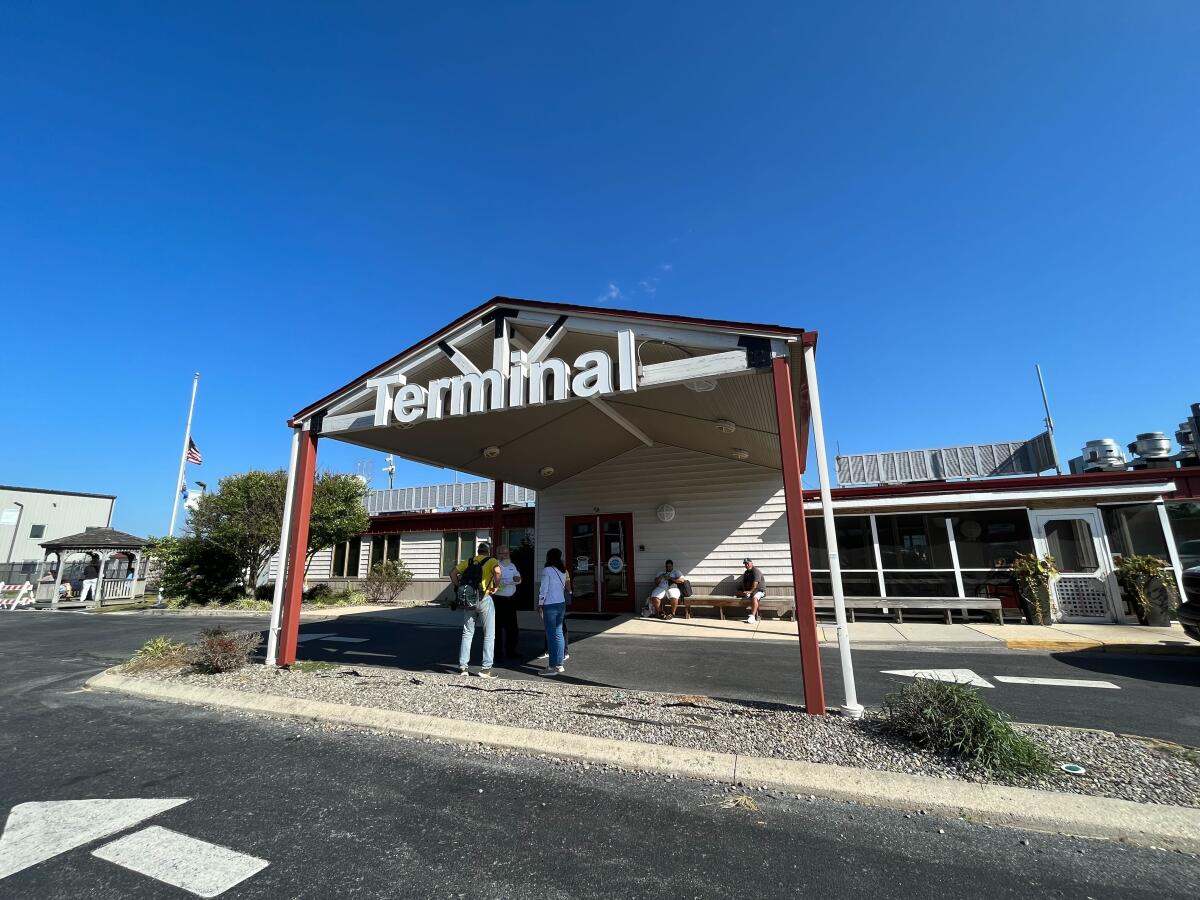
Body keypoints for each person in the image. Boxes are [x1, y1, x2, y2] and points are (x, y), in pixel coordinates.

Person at [451, 542, 501, 677]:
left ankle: (463, 667)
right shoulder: (491, 561)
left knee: (467, 633)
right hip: (484, 598)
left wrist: (458, 586)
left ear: (478, 551)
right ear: (488, 552)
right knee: (489, 634)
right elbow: (497, 572)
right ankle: (486, 669)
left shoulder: (469, 561)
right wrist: (496, 586)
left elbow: (453, 573)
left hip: (469, 600)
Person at [537, 547, 570, 676]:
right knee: (559, 634)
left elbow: (544, 588)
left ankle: (551, 667)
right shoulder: (563, 570)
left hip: (550, 604)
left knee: (551, 636)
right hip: (561, 604)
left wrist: (540, 603)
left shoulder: (547, 570)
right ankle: (560, 664)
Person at [492, 544, 522, 659]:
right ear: (497, 554)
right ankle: (498, 654)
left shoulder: (512, 565)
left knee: (513, 628)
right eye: (501, 553)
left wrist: (516, 580)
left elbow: (518, 578)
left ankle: (511, 652)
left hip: (511, 600)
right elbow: (497, 581)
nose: (504, 555)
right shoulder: (494, 565)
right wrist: (512, 580)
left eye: (506, 553)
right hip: (499, 600)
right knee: (498, 628)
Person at [737, 557, 766, 624]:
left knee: (754, 598)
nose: (747, 565)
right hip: (750, 590)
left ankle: (752, 617)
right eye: (745, 564)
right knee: (737, 592)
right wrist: (745, 591)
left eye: (748, 563)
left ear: (751, 563)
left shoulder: (756, 571)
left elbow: (755, 584)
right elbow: (743, 583)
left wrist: (750, 591)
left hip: (759, 590)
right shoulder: (746, 572)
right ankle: (748, 595)